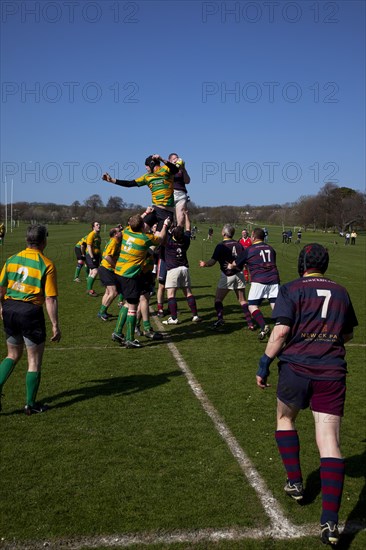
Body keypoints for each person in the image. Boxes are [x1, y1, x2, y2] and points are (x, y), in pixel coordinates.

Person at [255, 243, 358, 546]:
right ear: (324, 263)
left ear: (302, 263)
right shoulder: (340, 291)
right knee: (329, 441)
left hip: (296, 369)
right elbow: (348, 334)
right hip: (331, 372)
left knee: (285, 419)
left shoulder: (291, 288)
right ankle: (329, 522)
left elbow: (281, 331)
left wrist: (264, 363)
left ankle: (296, 482)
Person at [0, 224, 61, 415]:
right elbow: (50, 298)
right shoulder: (47, 264)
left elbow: (1, 289)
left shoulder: (11, 259)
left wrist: (1, 308)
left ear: (27, 240)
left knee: (12, 354)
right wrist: (55, 325)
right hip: (29, 312)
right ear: (44, 241)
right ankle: (30, 405)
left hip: (9, 309)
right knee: (33, 361)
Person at [111, 211, 171, 348]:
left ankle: (117, 332)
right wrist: (165, 225)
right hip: (129, 275)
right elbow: (161, 238)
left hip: (119, 272)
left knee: (127, 303)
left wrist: (145, 213)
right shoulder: (145, 239)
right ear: (142, 226)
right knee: (133, 306)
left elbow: (135, 223)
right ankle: (130, 338)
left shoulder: (127, 231)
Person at [227, 227, 280, 340]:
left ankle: (263, 326)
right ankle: (284, 329)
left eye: (251, 236)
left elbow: (236, 263)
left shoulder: (250, 249)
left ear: (254, 237)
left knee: (252, 306)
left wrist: (230, 265)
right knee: (275, 307)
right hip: (274, 280)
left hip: (259, 280)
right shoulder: (271, 248)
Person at [102, 154, 180, 231]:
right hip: (154, 210)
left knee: (159, 239)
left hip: (167, 212)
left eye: (146, 166)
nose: (146, 168)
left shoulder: (166, 169)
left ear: (151, 164)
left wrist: (162, 159)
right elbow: (130, 183)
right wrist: (111, 180)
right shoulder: (146, 177)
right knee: (139, 229)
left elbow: (175, 170)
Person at [199, 224, 254, 331]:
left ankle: (220, 320)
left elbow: (212, 262)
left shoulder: (221, 246)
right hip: (239, 274)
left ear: (223, 233)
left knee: (218, 299)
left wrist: (204, 264)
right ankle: (250, 323)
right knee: (242, 300)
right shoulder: (239, 245)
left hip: (227, 275)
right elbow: (244, 260)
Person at [162, 210, 201, 325]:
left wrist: (166, 223)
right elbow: (188, 228)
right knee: (188, 292)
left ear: (173, 234)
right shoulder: (186, 240)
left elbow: (164, 233)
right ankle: (195, 315)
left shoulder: (169, 241)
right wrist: (187, 215)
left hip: (173, 269)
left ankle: (174, 318)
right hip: (184, 269)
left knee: (171, 294)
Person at [97, 227, 122, 320]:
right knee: (114, 292)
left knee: (108, 292)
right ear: (115, 234)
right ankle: (101, 312)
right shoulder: (113, 242)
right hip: (106, 269)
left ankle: (103, 312)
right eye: (119, 231)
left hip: (105, 268)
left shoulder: (115, 241)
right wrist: (115, 266)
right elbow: (107, 256)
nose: (121, 232)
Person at [168, 153, 191, 227]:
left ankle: (179, 234)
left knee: (181, 218)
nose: (176, 160)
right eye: (174, 159)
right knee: (169, 219)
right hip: (170, 193)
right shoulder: (168, 169)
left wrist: (183, 169)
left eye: (177, 158)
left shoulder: (181, 170)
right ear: (170, 161)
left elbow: (187, 181)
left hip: (181, 194)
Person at [85, 221, 102, 297]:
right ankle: (89, 290)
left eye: (99, 224)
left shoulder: (98, 236)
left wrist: (100, 257)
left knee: (92, 272)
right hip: (90, 255)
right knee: (95, 271)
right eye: (97, 225)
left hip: (97, 255)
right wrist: (92, 257)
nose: (99, 226)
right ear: (93, 227)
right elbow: (88, 246)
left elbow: (98, 247)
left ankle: (88, 289)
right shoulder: (91, 235)